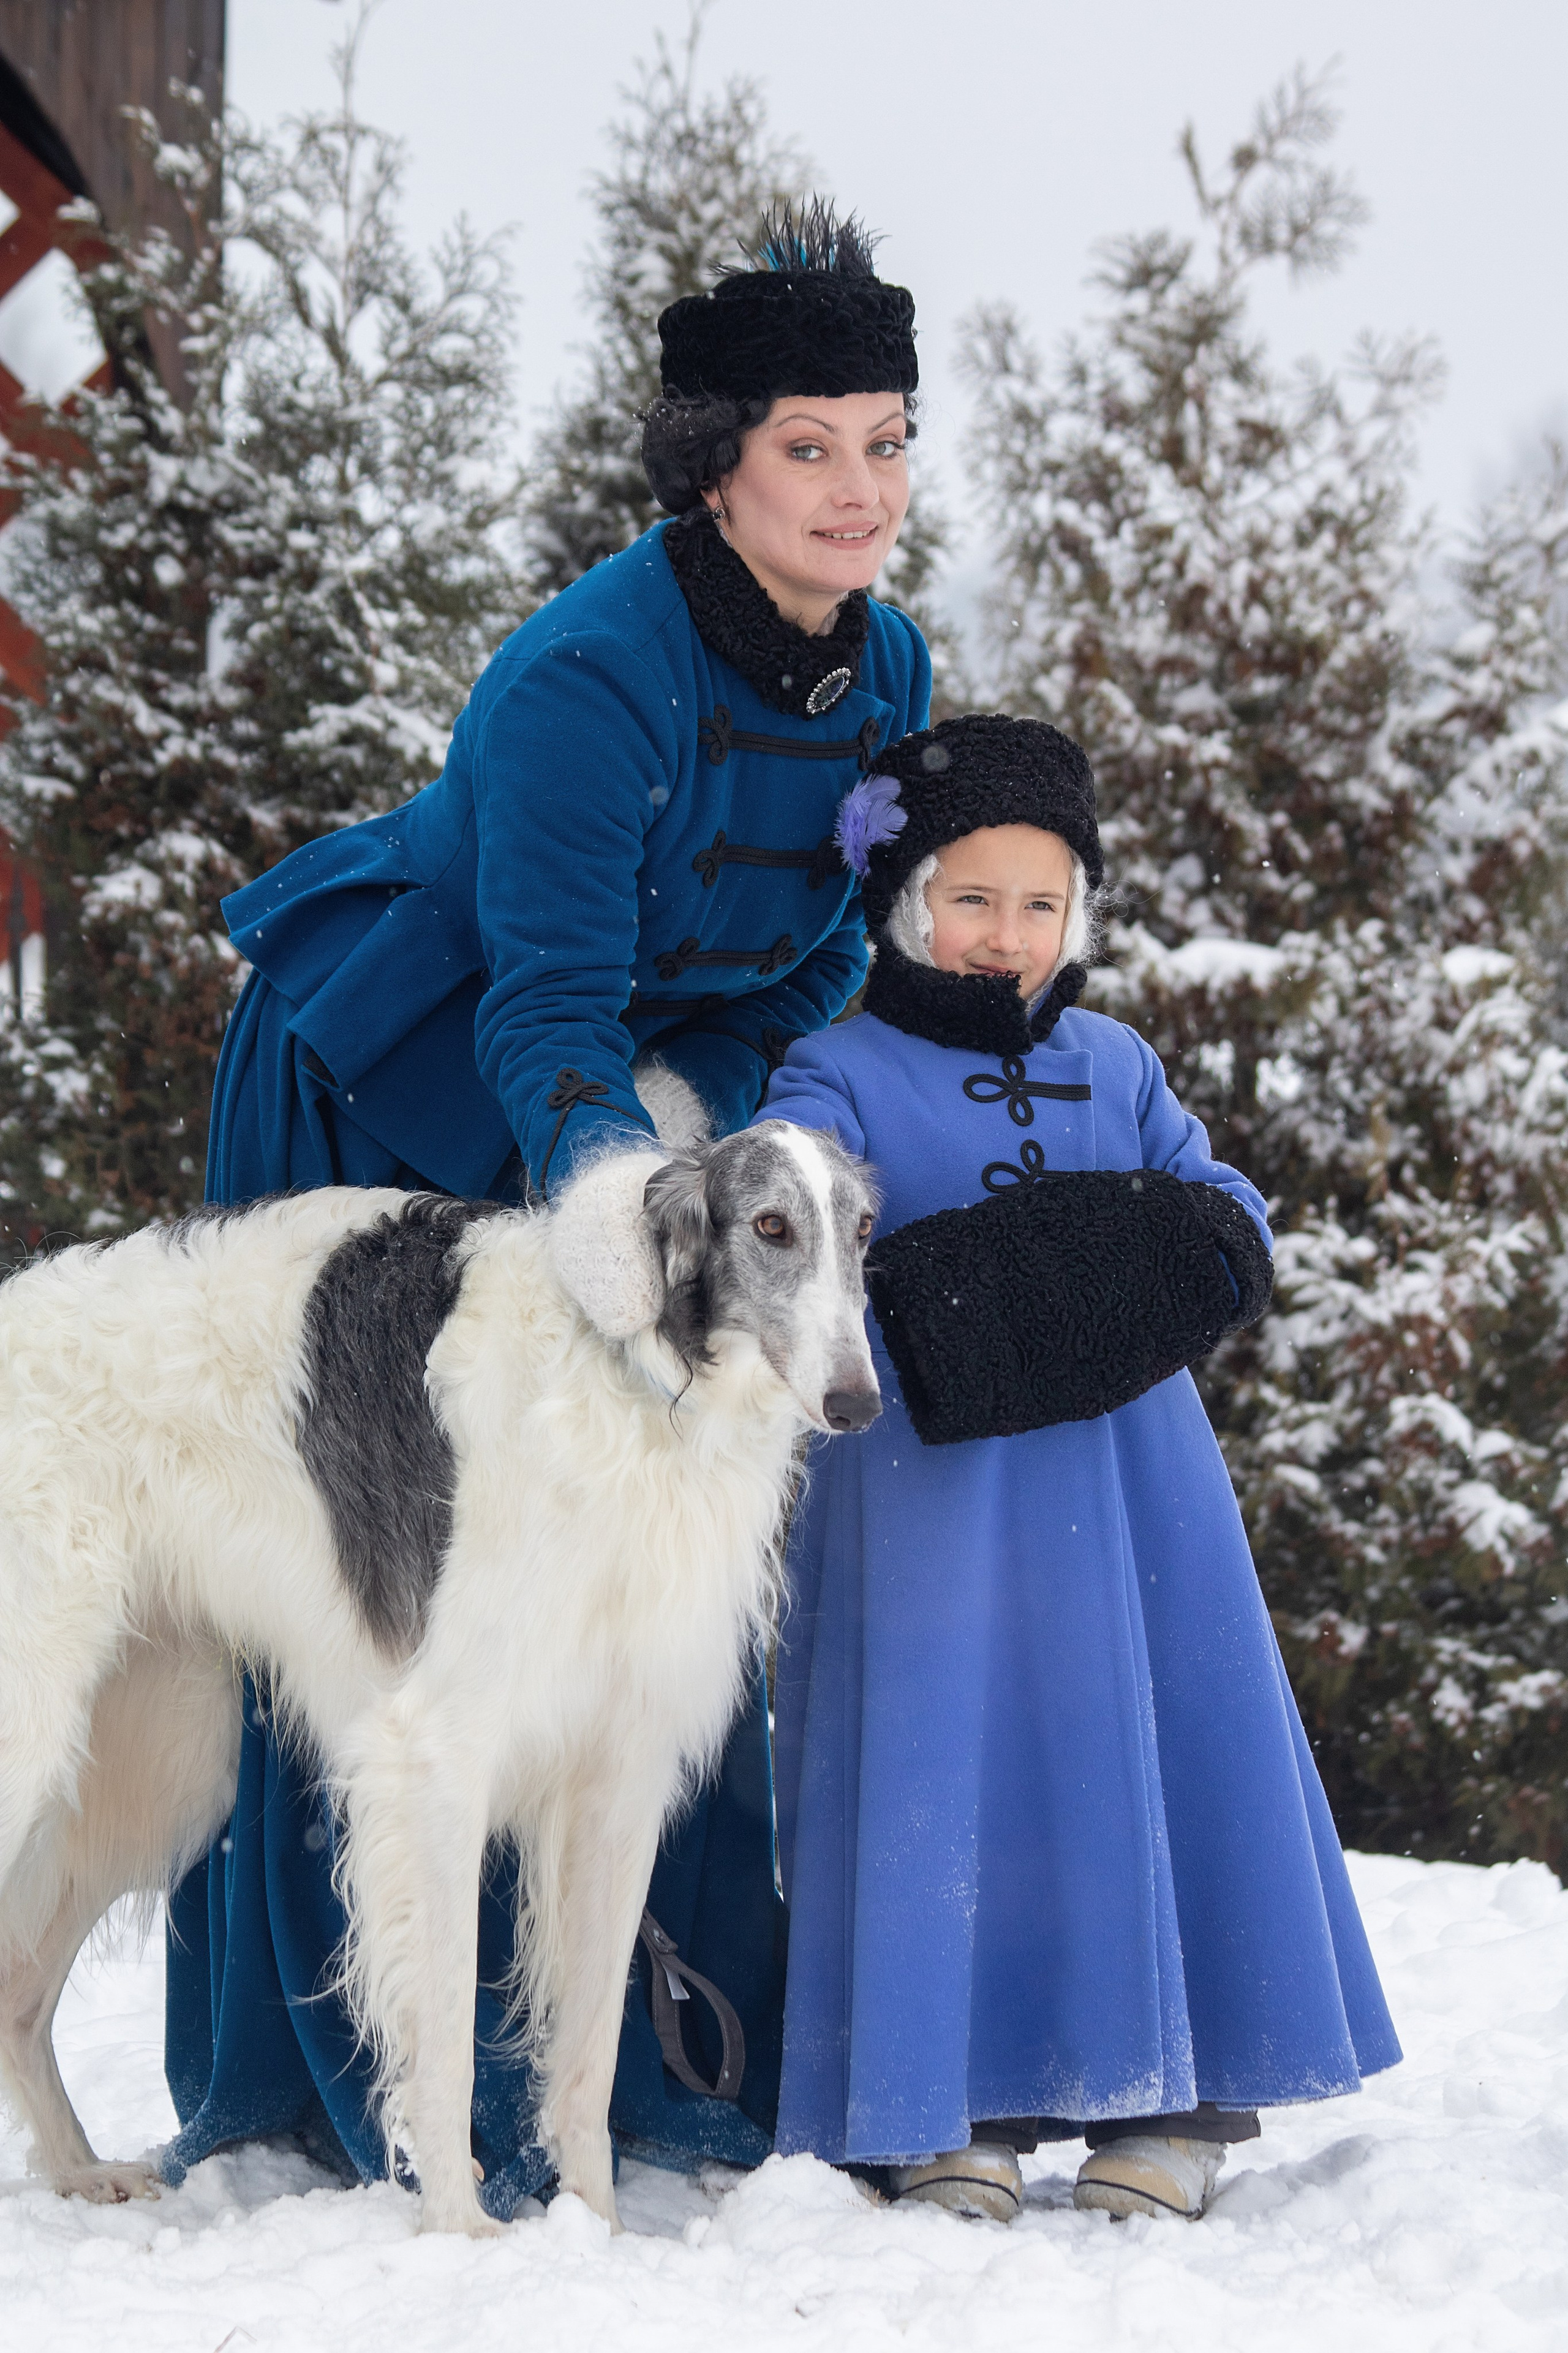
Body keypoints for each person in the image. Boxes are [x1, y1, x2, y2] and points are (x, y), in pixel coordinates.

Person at [162, 202, 931, 2218]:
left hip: (629, 1124)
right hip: (391, 1076)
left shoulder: (891, 672)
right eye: (810, 447)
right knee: (371, 1588)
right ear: (714, 465)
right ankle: (327, 2088)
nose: (862, 492)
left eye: (889, 441)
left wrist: (700, 1126)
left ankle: (658, 2082)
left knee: (652, 1583)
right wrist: (623, 1179)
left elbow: (815, 960)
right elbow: (548, 1005)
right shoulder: (585, 677)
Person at [761, 713, 1401, 2224]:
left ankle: (1170, 2095)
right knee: (941, 1762)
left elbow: (1215, 1197)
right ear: (904, 899)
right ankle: (942, 2104)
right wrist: (948, 1294)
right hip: (923, 1499)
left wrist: (1175, 1250)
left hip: (1132, 1496)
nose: (1004, 936)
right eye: (968, 897)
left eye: (1038, 903)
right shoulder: (836, 1064)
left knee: (1143, 1751)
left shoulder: (1115, 1060)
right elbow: (788, 1207)